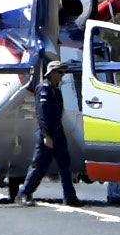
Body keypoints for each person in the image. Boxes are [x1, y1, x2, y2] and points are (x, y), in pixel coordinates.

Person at [17, 60, 81, 207]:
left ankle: (70, 197)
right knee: (39, 165)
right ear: (52, 73)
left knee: (65, 165)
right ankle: (24, 193)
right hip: (47, 133)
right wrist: (47, 135)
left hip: (58, 131)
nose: (62, 75)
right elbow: (42, 113)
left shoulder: (55, 89)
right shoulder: (44, 88)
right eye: (59, 72)